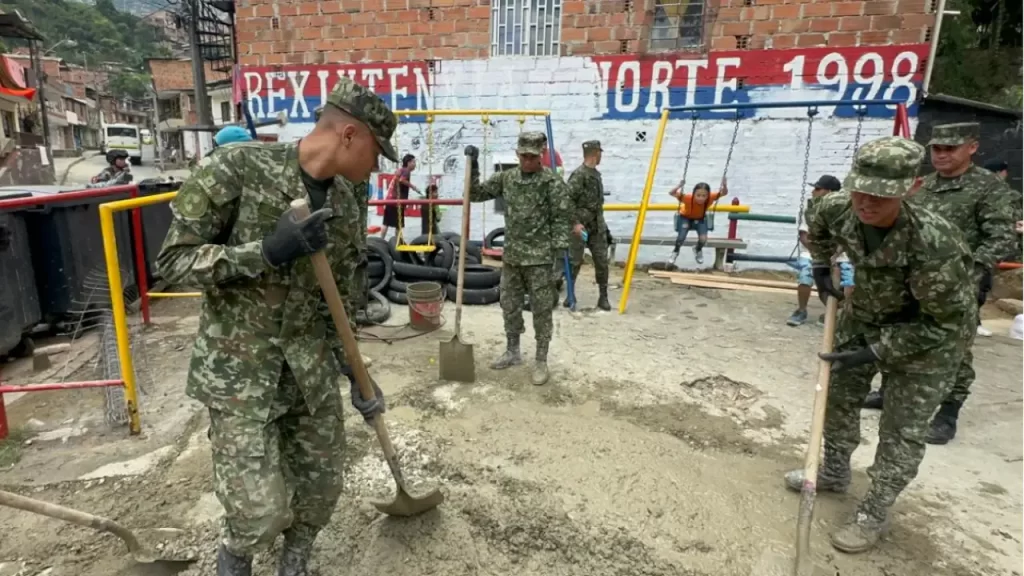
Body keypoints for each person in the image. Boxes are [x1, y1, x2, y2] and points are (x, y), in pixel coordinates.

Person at [155, 77, 393, 576]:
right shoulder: (237, 167)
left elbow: (343, 294)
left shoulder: (349, 198)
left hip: (308, 373)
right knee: (258, 514)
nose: (379, 163)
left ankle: (296, 563)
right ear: (349, 134)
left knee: (321, 490)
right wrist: (262, 252)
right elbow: (172, 261)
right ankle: (235, 558)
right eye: (377, 149)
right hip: (242, 374)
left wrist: (355, 370)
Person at [784, 136, 976, 554]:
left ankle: (874, 509)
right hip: (866, 313)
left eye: (879, 196)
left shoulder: (934, 244)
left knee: (901, 429)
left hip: (929, 338)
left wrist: (876, 352)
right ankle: (833, 472)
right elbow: (815, 218)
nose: (866, 203)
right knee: (836, 395)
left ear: (910, 188)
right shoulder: (839, 207)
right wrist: (820, 263)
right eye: (860, 190)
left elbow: (946, 323)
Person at [863, 123, 1016, 443]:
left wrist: (963, 274)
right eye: (937, 149)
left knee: (952, 350)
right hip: (910, 281)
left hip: (957, 286)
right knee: (897, 333)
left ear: (972, 147)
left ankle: (947, 413)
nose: (942, 155)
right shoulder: (923, 186)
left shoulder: (988, 188)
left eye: (950, 149)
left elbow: (1000, 238)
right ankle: (888, 391)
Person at [464, 132, 571, 386]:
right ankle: (513, 351)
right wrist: (475, 163)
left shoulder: (551, 183)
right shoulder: (507, 178)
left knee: (542, 310)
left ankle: (541, 360)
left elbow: (561, 219)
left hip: (539, 260)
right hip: (512, 257)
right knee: (509, 304)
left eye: (532, 156)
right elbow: (475, 193)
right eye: (522, 155)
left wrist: (558, 259)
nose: (526, 161)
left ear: (541, 155)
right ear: (517, 153)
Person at [787, 175, 854, 326]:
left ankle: (837, 313)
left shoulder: (845, 211)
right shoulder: (813, 211)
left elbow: (848, 237)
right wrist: (819, 252)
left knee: (849, 280)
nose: (813, 192)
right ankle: (802, 310)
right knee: (806, 275)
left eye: (817, 189)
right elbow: (804, 236)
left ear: (829, 192)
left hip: (840, 255)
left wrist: (835, 255)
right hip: (815, 254)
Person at [566, 140, 611, 311]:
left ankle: (603, 297)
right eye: (600, 153)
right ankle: (570, 294)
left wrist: (604, 228)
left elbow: (597, 205)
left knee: (601, 261)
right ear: (595, 154)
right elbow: (567, 201)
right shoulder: (579, 175)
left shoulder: (596, 174)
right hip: (580, 227)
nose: (601, 156)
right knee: (575, 262)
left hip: (597, 226)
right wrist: (575, 223)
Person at [669, 180, 728, 265]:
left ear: (708, 195)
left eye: (704, 196)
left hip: (700, 218)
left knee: (703, 239)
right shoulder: (688, 198)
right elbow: (671, 193)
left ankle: (697, 249)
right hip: (685, 218)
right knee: (681, 237)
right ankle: (675, 251)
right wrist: (679, 186)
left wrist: (724, 185)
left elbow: (724, 193)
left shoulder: (711, 197)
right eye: (698, 195)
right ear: (694, 194)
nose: (701, 198)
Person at [381, 154, 420, 238]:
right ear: (408, 163)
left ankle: (381, 240)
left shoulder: (401, 170)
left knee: (386, 223)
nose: (415, 164)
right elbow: (402, 180)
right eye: (413, 162)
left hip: (389, 200)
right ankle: (397, 243)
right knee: (399, 225)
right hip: (396, 202)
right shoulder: (406, 171)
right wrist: (414, 188)